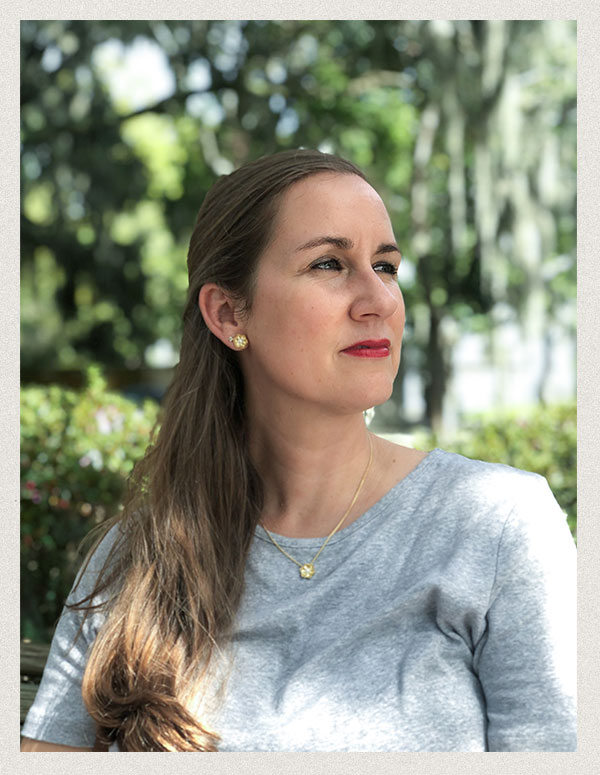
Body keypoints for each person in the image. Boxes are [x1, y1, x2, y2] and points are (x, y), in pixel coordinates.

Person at [21, 149, 576, 752]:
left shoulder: (494, 523)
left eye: (386, 266)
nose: (379, 300)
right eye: (330, 263)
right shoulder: (138, 559)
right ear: (228, 311)